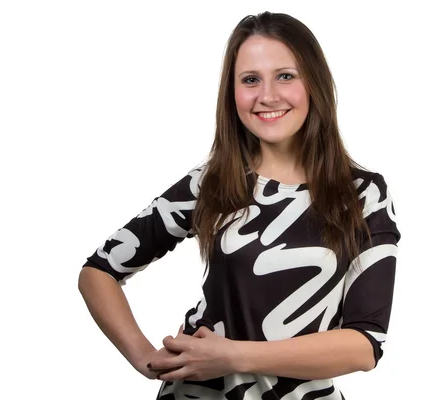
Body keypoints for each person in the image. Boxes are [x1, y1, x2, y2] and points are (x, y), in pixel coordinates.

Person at [78, 11, 400, 400]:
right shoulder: (212, 181)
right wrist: (147, 359)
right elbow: (99, 271)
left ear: (313, 82)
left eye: (285, 75)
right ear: (232, 93)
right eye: (250, 80)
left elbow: (365, 345)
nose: (267, 96)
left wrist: (233, 357)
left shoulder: (362, 194)